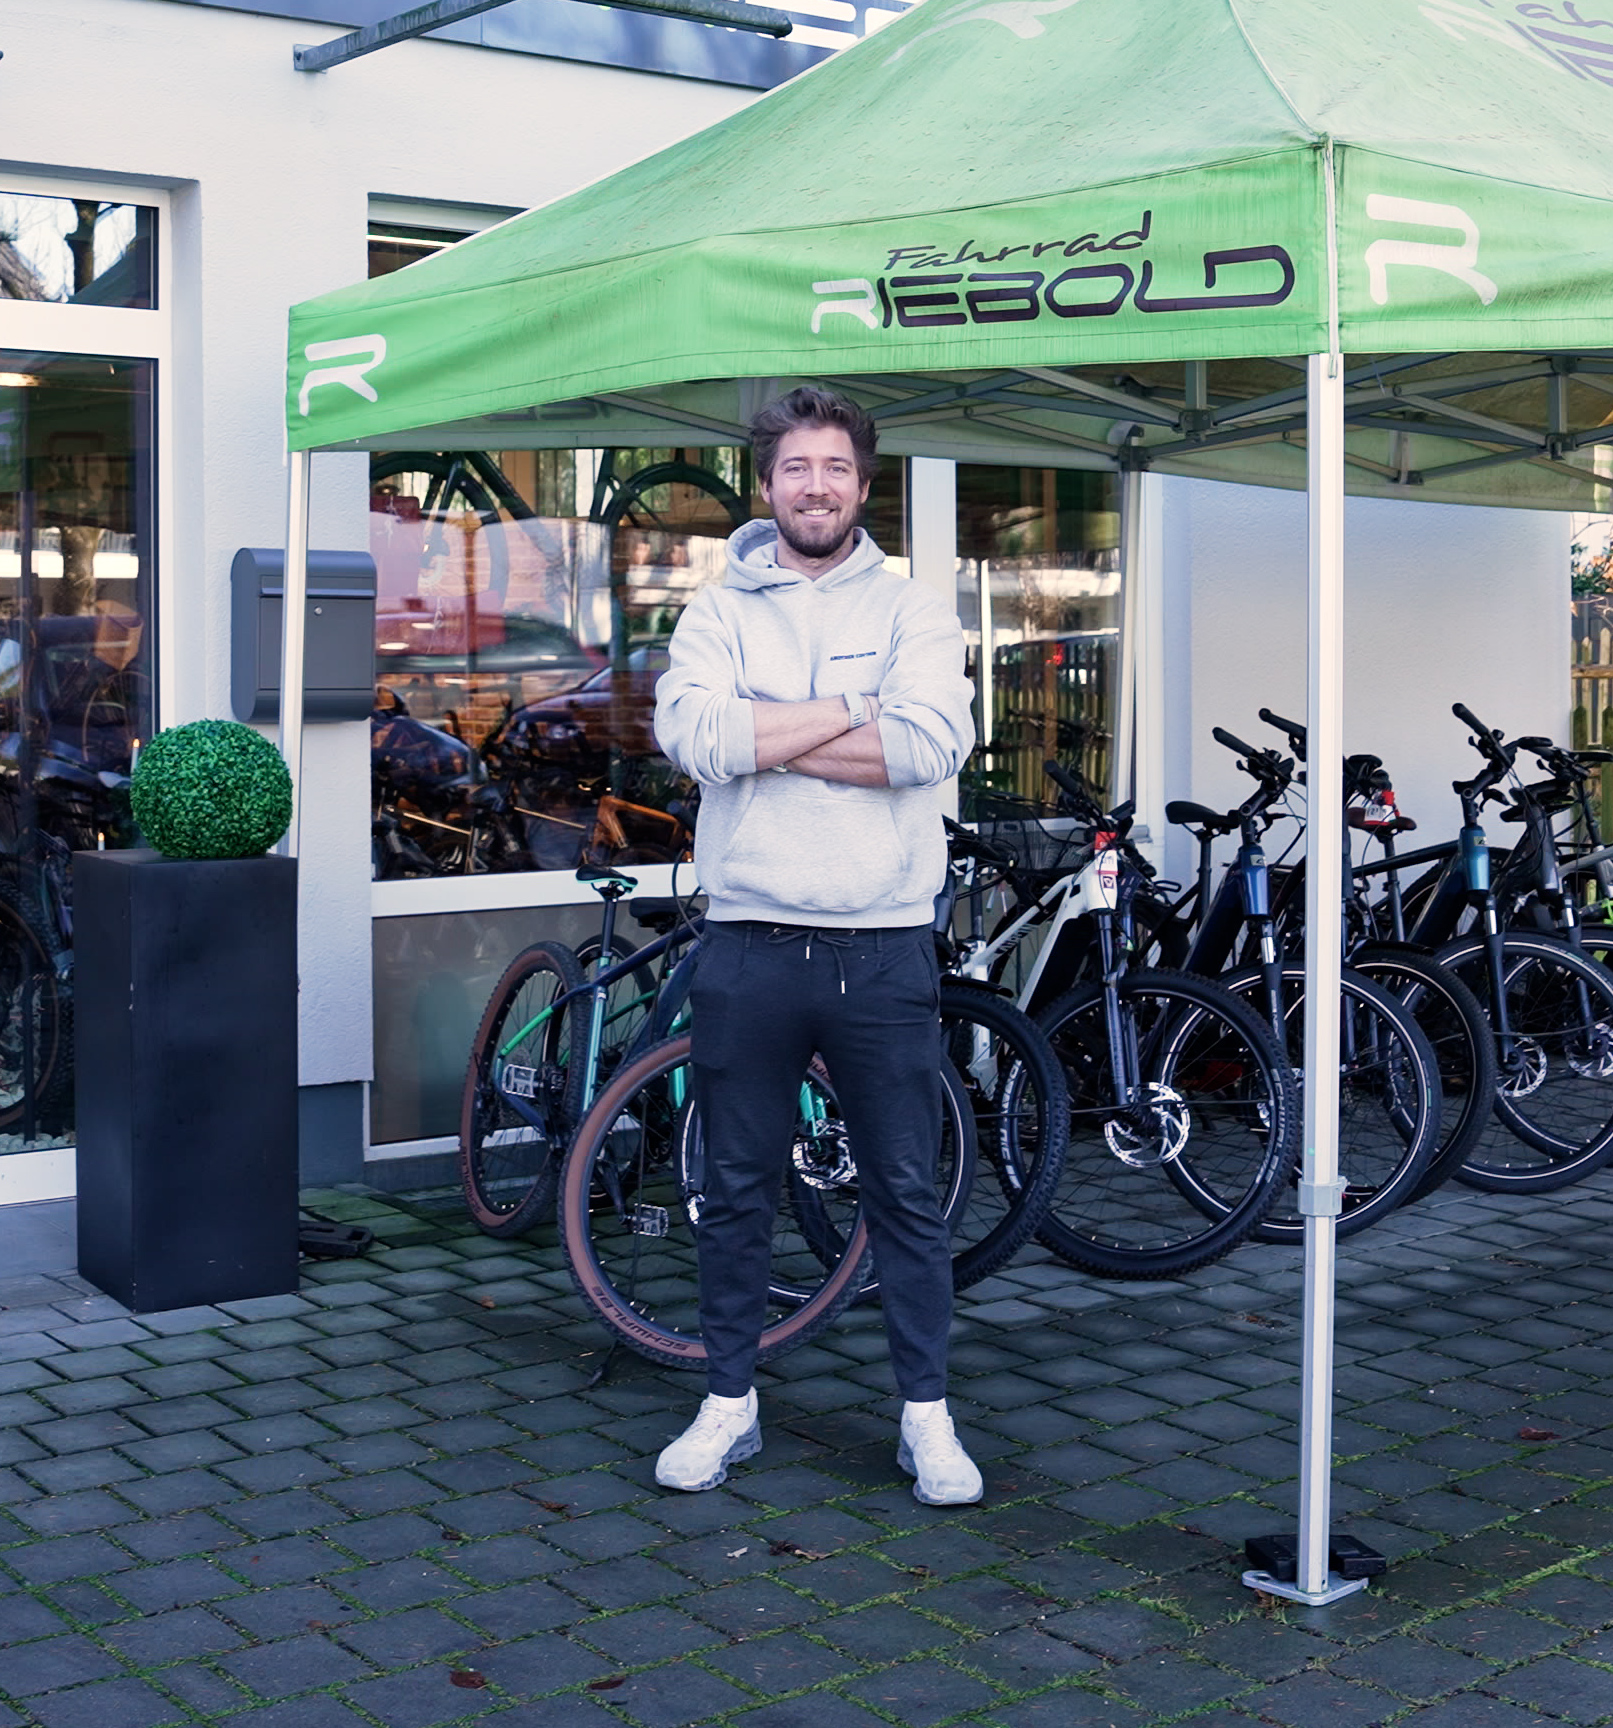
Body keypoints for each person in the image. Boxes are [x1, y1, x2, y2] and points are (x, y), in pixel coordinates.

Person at [651, 386, 981, 1505]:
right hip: (748, 939)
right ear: (766, 485)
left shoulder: (911, 608)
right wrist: (853, 707)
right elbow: (696, 737)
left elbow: (927, 746)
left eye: (835, 467)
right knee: (734, 1187)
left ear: (863, 485)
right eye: (796, 467)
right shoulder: (716, 610)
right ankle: (728, 1402)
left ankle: (925, 1418)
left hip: (880, 946)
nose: (815, 486)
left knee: (903, 1191)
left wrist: (768, 731)